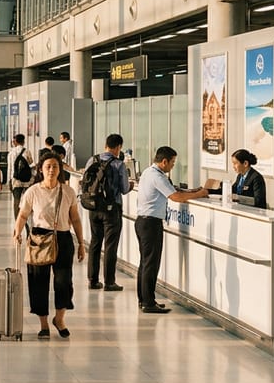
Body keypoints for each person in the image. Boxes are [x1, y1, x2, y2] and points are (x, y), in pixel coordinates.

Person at [13, 154, 85, 339]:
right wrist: (17, 232)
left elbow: (75, 218)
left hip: (62, 238)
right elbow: (23, 215)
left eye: (55, 166)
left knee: (63, 281)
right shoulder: (33, 191)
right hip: (39, 238)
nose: (51, 170)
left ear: (60, 169)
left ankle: (59, 319)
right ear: (40, 170)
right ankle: (43, 324)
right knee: (38, 282)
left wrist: (81, 243)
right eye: (48, 167)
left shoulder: (68, 192)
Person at [134, 146, 208, 313]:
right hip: (150, 224)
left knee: (145, 263)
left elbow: (174, 190)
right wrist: (200, 194)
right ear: (164, 161)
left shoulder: (149, 172)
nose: (173, 166)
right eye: (172, 162)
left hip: (143, 222)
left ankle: (144, 299)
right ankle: (148, 302)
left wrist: (192, 191)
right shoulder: (157, 176)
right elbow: (176, 197)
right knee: (150, 264)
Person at [85, 134, 132, 291]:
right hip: (112, 210)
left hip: (93, 208)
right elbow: (124, 189)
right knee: (110, 246)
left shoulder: (92, 160)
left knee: (95, 243)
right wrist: (130, 185)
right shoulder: (118, 164)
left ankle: (92, 280)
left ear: (106, 145)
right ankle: (109, 282)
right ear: (118, 147)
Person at [7, 134, 35, 217]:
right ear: (23, 141)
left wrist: (10, 180)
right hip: (27, 179)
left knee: (16, 200)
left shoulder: (11, 153)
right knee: (27, 199)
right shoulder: (27, 151)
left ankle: (17, 220)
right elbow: (30, 163)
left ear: (15, 142)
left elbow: (10, 168)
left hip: (16, 180)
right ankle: (26, 218)